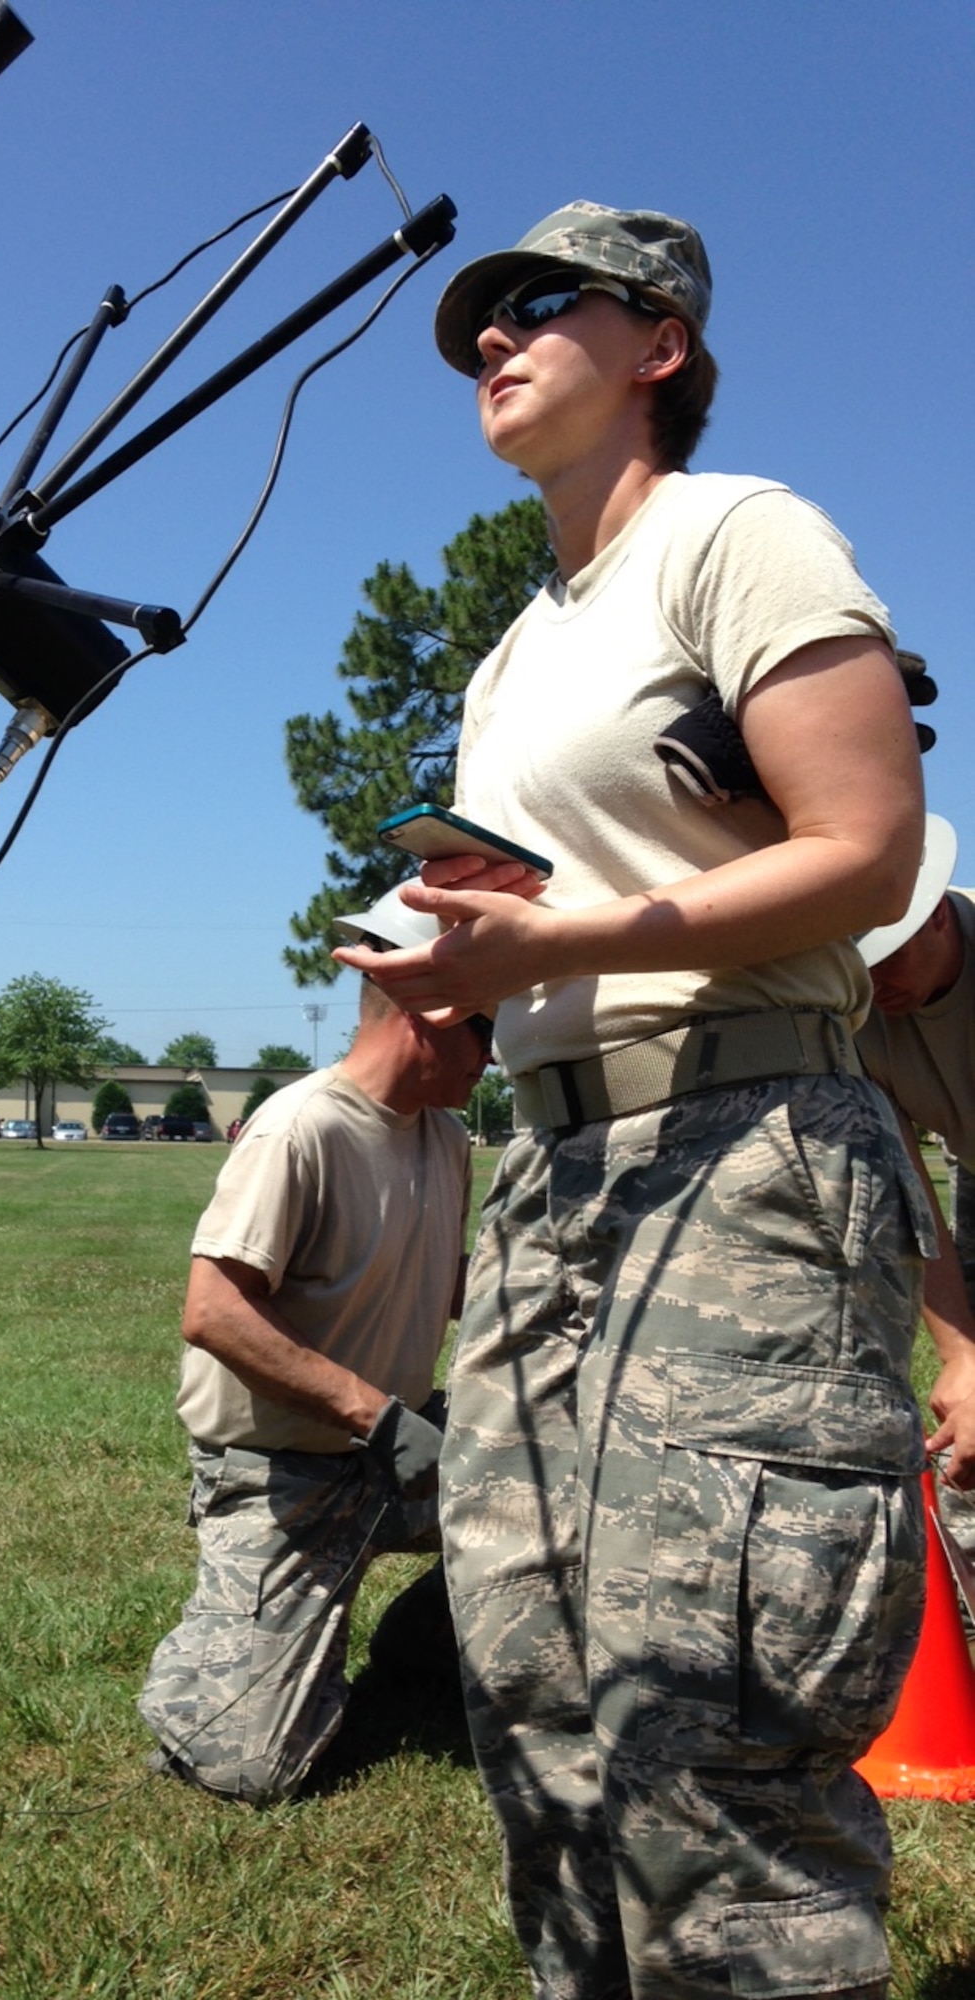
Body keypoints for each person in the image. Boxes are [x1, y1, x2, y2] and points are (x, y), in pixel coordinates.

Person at [335, 201, 933, 1999]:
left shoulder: (740, 534)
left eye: (532, 306)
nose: (489, 344)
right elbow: (556, 908)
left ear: (658, 340)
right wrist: (464, 964)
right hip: (559, 1166)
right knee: (528, 1679)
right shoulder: (513, 653)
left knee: (715, 1706)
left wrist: (566, 938)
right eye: (472, 330)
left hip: (745, 1149)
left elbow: (868, 850)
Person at [137, 887, 488, 1804]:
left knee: (571, 1485)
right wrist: (379, 1421)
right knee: (249, 1766)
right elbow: (214, 1312)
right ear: (431, 1015)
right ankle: (217, 1666)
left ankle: (422, 1644)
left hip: (398, 1453)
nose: (497, 1057)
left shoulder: (446, 1138)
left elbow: (448, 1285)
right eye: (487, 1030)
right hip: (282, 1474)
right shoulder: (301, 1128)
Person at [856, 813, 975, 1503]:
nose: (872, 981)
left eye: (887, 952)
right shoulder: (857, 1016)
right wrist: (962, 1357)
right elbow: (912, 1198)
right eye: (856, 960)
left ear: (934, 916)